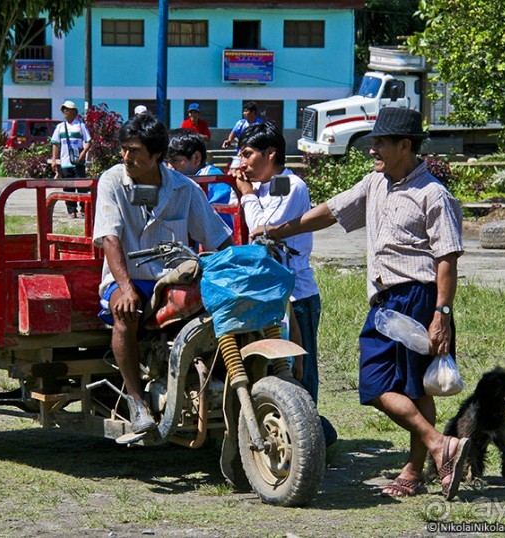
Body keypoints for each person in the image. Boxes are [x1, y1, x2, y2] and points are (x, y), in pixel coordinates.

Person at [255, 108, 470, 500]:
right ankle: (437, 450)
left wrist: (442, 314)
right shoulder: (376, 182)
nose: (373, 149)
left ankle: (426, 459)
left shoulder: (433, 194)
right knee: (385, 384)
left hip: (418, 296)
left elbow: (447, 260)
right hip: (387, 298)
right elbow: (330, 212)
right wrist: (277, 230)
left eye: (381, 143)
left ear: (405, 146)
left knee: (403, 385)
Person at [92, 113, 234, 434]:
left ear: (157, 155)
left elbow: (219, 236)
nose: (127, 157)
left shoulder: (185, 188)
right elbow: (110, 238)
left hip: (174, 278)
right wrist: (125, 287)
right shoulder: (112, 181)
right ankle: (137, 401)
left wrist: (234, 266)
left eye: (135, 151)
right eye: (124, 149)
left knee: (222, 306)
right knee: (124, 313)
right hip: (127, 276)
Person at [227, 122, 337, 450]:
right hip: (264, 293)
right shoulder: (260, 186)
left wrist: (246, 196)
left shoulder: (289, 185)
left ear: (270, 153)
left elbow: (262, 231)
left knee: (300, 367)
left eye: (248, 154)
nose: (242, 162)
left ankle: (311, 438)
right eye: (240, 154)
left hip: (296, 293)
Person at [165, 128, 236, 229]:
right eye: (167, 162)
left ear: (196, 158)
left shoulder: (213, 179)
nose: (170, 168)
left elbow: (216, 218)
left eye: (175, 161)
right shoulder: (178, 180)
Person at [51, 100, 92, 218]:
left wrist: (83, 154)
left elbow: (88, 142)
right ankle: (71, 210)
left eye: (67, 109)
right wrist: (54, 159)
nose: (65, 111)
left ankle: (83, 209)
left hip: (78, 162)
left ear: (74, 112)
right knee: (68, 187)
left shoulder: (80, 126)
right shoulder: (60, 127)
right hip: (65, 163)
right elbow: (55, 144)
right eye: (64, 109)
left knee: (82, 187)